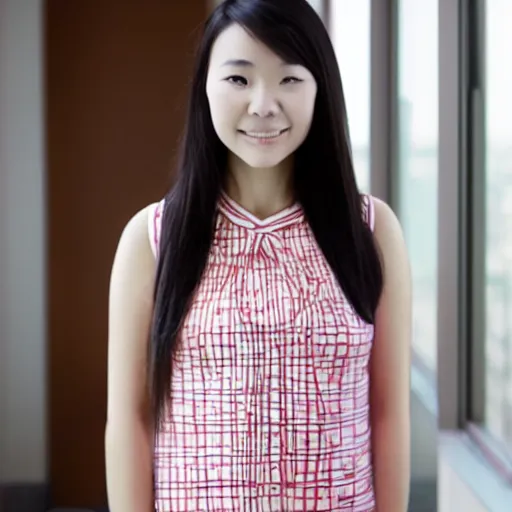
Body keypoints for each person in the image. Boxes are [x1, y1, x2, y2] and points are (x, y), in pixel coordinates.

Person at [105, 0, 411, 510]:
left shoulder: (372, 232)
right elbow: (130, 418)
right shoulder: (153, 238)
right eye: (239, 80)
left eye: (290, 79)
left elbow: (388, 413)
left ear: (321, 91)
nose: (264, 105)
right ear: (206, 87)